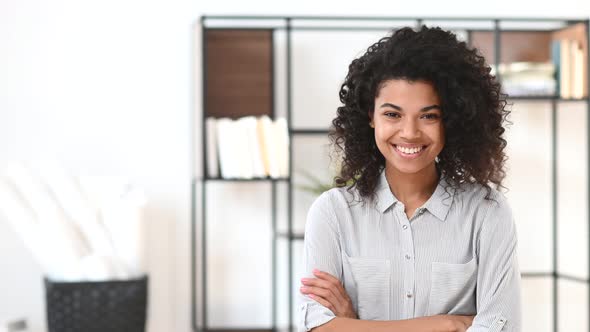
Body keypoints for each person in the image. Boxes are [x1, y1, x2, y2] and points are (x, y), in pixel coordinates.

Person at [297, 25, 521, 332]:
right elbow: (316, 326)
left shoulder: (486, 213)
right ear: (370, 116)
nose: (410, 132)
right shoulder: (333, 212)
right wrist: (446, 324)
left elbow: (501, 327)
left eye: (429, 115)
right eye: (392, 114)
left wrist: (352, 325)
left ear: (452, 120)